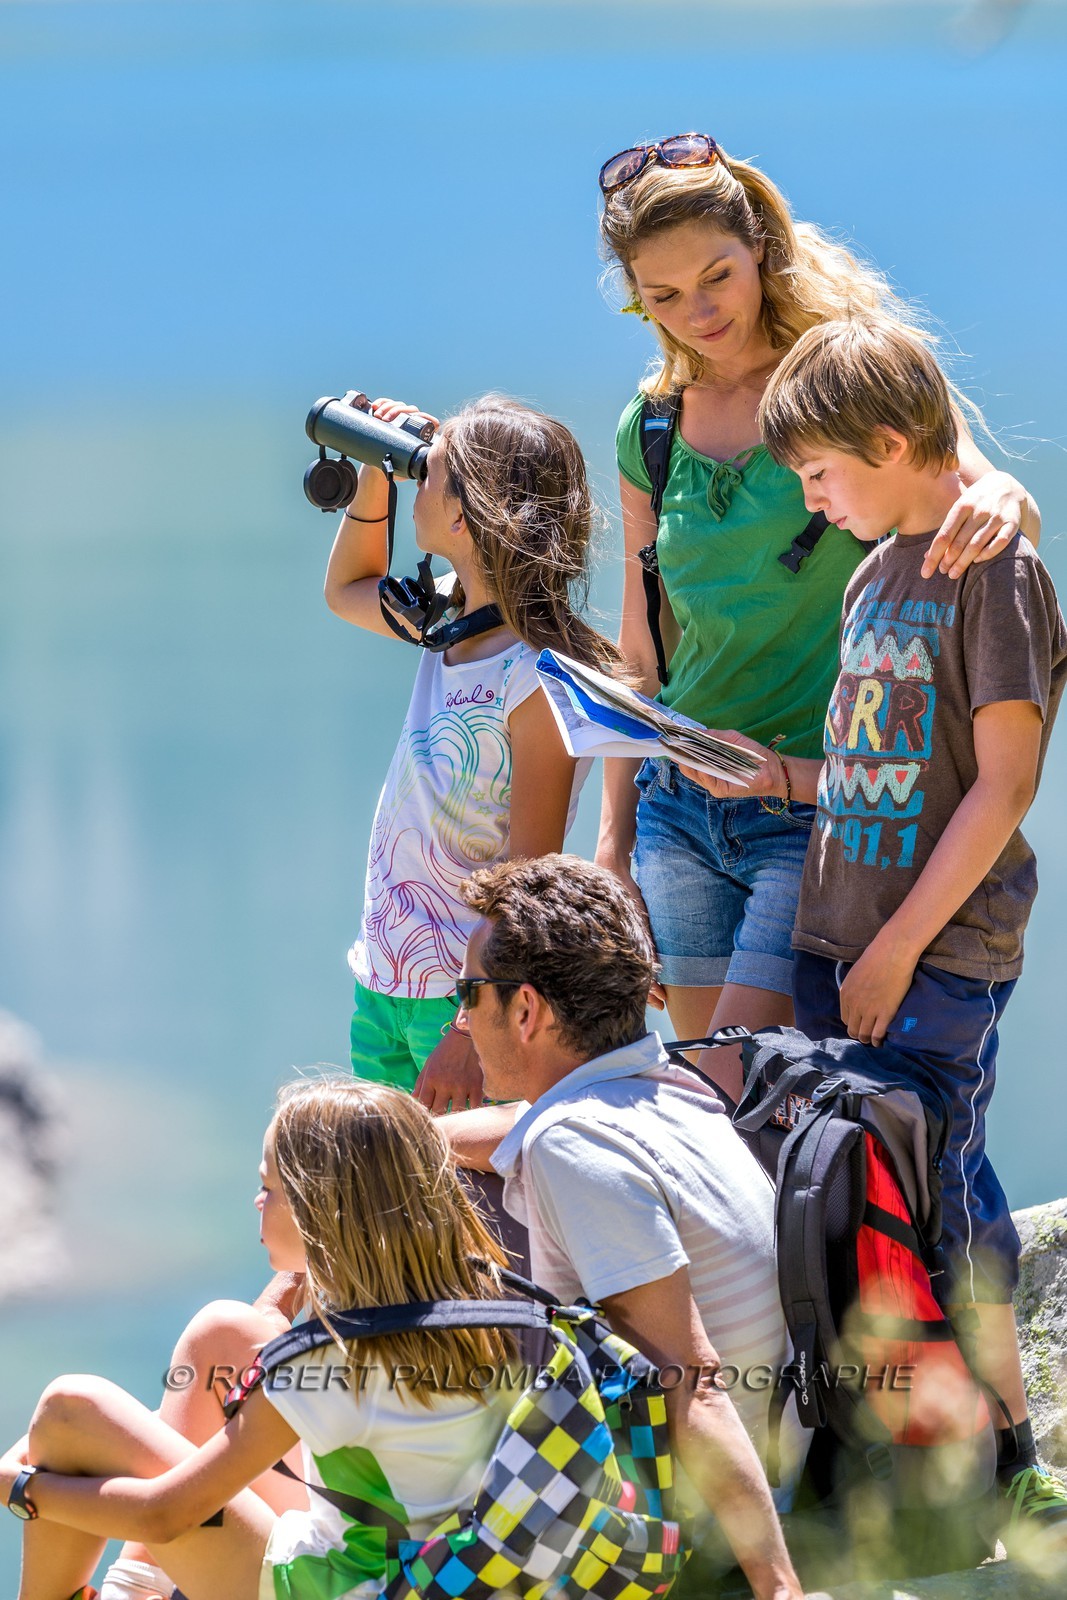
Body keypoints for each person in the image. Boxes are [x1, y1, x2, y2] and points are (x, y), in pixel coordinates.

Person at [684, 315, 1067, 1544]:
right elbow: (881, 763)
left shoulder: (990, 567)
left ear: (892, 440)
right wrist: (782, 783)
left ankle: (1013, 1458)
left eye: (818, 475)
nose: (809, 498)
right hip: (835, 945)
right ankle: (891, 1450)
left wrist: (897, 944)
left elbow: (1001, 784)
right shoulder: (865, 573)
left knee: (942, 1191)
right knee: (876, 1183)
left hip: (933, 951)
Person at [593, 131, 1043, 1101]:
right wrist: (612, 843)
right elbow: (639, 654)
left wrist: (1007, 495)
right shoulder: (651, 426)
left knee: (727, 1090)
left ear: (759, 242)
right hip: (679, 806)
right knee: (724, 1106)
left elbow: (967, 501)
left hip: (809, 809)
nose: (695, 313)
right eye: (660, 297)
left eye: (714, 276)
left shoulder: (835, 379)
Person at [443, 853, 807, 1600]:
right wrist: (395, 1134)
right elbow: (514, 1127)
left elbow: (691, 1378)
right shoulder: (678, 1089)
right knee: (449, 1181)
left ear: (526, 1011)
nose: (457, 1017)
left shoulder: (571, 1147)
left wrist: (777, 1589)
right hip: (769, 1472)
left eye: (467, 991)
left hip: (677, 1541)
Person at [0, 1079, 515, 1600]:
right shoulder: (484, 1315)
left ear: (319, 1210)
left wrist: (21, 1487)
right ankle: (132, 1591)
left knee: (72, 1408)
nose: (256, 1200)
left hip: (339, 1587)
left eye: (269, 1188)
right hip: (426, 1567)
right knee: (224, 1331)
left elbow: (163, 1515)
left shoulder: (322, 1367)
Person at [325, 393, 621, 1111]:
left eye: (426, 473)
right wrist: (375, 472)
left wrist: (468, 1024)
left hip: (456, 1001)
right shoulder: (451, 623)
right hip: (384, 980)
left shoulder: (536, 676)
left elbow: (529, 874)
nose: (412, 478)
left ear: (460, 516)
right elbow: (346, 591)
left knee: (459, 1204)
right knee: (389, 1204)